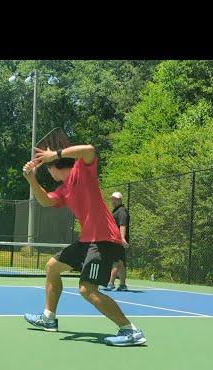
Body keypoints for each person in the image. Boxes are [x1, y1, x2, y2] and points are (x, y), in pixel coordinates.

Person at [21, 143, 146, 347]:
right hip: (87, 241)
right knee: (52, 266)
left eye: (49, 167)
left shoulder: (82, 169)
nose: (48, 171)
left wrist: (55, 154)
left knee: (87, 289)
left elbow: (89, 149)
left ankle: (130, 330)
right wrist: (31, 179)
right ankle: (48, 318)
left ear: (54, 166)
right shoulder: (63, 190)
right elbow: (45, 201)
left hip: (103, 240)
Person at [104, 192, 130, 291]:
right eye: (112, 199)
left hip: (118, 241)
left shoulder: (122, 212)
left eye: (115, 199)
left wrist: (122, 238)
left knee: (116, 261)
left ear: (119, 200)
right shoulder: (116, 211)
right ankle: (123, 285)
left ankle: (111, 283)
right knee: (120, 262)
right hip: (115, 240)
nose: (113, 201)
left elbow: (123, 225)